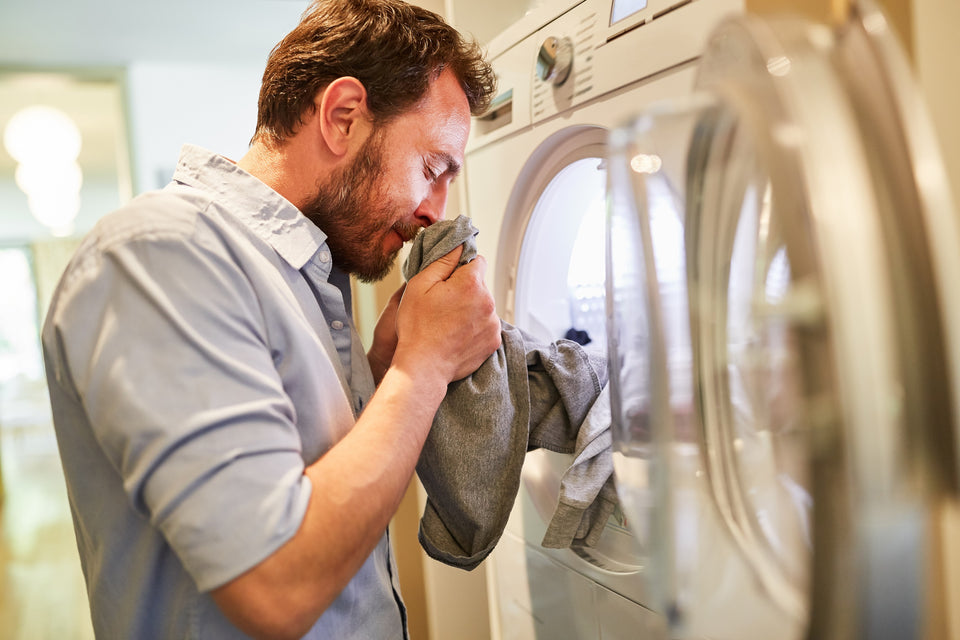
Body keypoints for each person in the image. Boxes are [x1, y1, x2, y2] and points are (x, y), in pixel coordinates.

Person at [40, 1, 501, 638]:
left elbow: (311, 477)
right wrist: (424, 367)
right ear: (342, 118)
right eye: (431, 168)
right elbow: (274, 585)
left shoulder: (302, 278)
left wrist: (383, 370)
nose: (435, 210)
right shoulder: (159, 254)